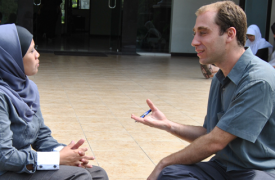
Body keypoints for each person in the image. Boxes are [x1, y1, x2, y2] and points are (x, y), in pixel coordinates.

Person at [131, 1, 275, 180]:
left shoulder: (258, 80)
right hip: (223, 168)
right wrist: (168, 125)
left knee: (166, 168)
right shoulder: (220, 78)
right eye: (194, 34)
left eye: (203, 33)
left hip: (256, 172)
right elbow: (210, 133)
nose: (194, 42)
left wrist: (164, 162)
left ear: (230, 34)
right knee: (171, 176)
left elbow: (215, 142)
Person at [0, 24, 108, 180]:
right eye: (31, 51)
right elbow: (4, 157)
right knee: (79, 177)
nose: (37, 55)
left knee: (97, 174)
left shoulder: (28, 89)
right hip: (6, 170)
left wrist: (70, 154)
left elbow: (41, 136)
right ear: (11, 57)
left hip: (25, 165)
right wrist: (56, 159)